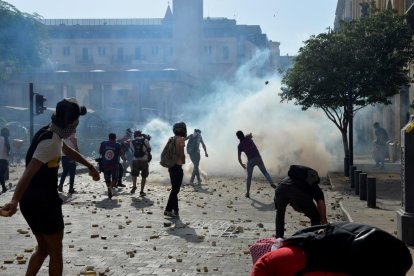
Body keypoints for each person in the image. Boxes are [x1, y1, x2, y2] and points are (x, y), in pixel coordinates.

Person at [0, 98, 100, 276]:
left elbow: (67, 150)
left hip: (30, 203)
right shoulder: (50, 142)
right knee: (55, 251)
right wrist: (13, 200)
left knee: (44, 248)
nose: (77, 124)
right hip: (44, 202)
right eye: (76, 120)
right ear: (70, 122)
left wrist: (90, 166)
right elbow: (28, 172)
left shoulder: (48, 132)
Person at [274, 165, 327, 239]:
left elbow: (296, 204)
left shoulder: (290, 179)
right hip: (297, 192)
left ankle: (279, 238)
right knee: (315, 217)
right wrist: (324, 223)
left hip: (280, 189)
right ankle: (315, 238)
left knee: (280, 213)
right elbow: (321, 204)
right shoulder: (316, 188)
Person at [236, 130, 275, 198]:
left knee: (249, 177)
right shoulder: (248, 138)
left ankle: (248, 193)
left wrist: (242, 164)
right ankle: (271, 183)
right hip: (258, 158)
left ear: (238, 137)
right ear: (243, 134)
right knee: (265, 172)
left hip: (250, 161)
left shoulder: (240, 146)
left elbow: (239, 158)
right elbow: (250, 135)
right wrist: (250, 135)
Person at [164, 122, 186, 218]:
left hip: (171, 166)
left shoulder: (171, 139)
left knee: (174, 189)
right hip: (177, 167)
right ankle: (168, 209)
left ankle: (176, 210)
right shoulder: (181, 139)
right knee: (175, 189)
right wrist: (183, 160)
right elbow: (182, 153)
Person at [99, 133, 122, 199]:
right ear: (115, 138)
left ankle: (109, 188)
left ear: (108, 137)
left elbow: (100, 152)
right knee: (115, 178)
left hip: (105, 164)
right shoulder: (118, 145)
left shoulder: (103, 143)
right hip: (114, 165)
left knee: (107, 178)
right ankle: (111, 187)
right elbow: (120, 153)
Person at [130, 130, 151, 196]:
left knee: (134, 175)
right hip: (144, 160)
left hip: (135, 160)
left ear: (135, 135)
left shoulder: (132, 142)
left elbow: (132, 151)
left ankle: (134, 186)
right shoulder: (145, 140)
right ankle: (141, 191)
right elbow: (149, 149)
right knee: (144, 176)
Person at [0, 127, 10, 193]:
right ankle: (4, 188)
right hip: (3, 160)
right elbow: (8, 149)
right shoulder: (6, 139)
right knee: (1, 175)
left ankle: (4, 188)